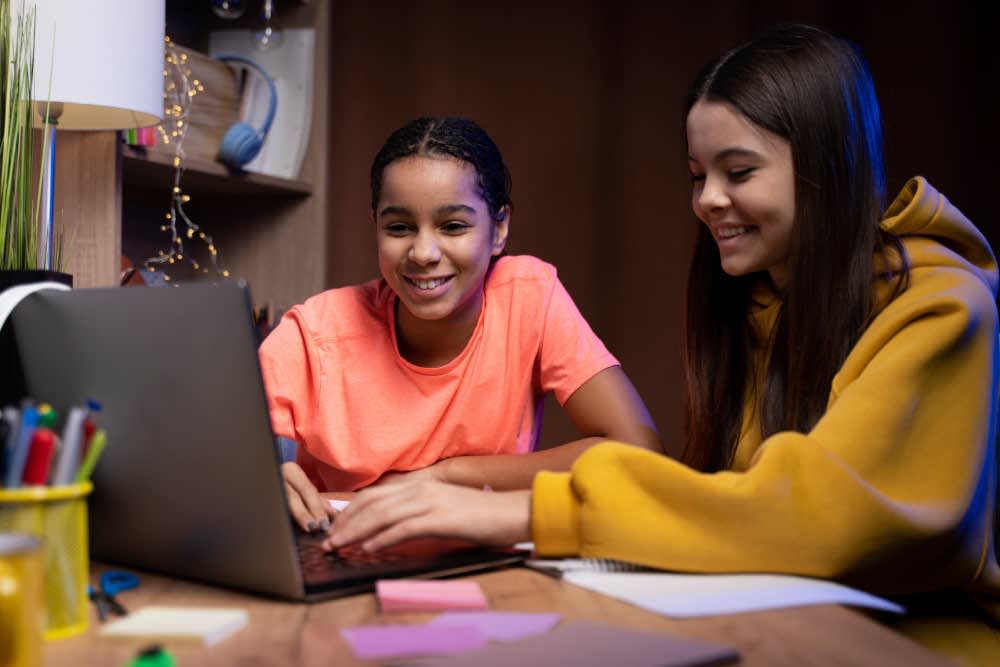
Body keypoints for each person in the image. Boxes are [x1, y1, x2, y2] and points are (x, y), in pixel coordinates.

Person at [325, 25, 1000, 661]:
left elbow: (819, 517)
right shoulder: (761, 299)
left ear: (828, 167)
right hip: (789, 619)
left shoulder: (944, 306)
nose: (707, 200)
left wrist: (503, 508)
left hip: (920, 642)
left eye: (738, 173)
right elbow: (731, 506)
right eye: (697, 175)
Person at [258, 117, 661, 533]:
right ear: (375, 225)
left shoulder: (528, 296)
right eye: (399, 227)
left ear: (499, 228)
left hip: (480, 550)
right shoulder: (317, 330)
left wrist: (446, 476)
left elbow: (636, 452)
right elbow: (202, 462)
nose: (423, 252)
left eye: (452, 226)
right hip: (345, 547)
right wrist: (263, 483)